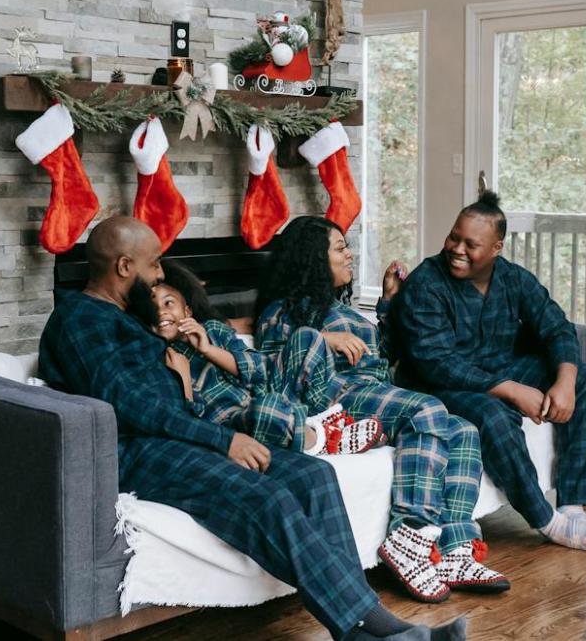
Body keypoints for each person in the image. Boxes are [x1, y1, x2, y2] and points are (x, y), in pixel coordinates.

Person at [37, 215, 465, 641]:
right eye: (154, 265)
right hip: (139, 449)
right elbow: (130, 405)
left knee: (313, 475)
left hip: (180, 434)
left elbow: (171, 386)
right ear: (124, 267)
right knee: (268, 497)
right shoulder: (80, 319)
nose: (161, 274)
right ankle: (385, 633)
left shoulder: (130, 317)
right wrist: (224, 440)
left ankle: (369, 629)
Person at [255, 216, 509, 603]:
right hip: (337, 399)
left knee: (463, 430)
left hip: (375, 392)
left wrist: (388, 302)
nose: (349, 254)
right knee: (426, 409)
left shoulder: (341, 306)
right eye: (339, 248)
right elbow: (274, 363)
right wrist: (325, 338)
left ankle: (456, 548)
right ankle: (410, 534)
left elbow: (381, 357)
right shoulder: (283, 310)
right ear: (311, 259)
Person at [392, 192, 586, 553]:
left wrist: (566, 379)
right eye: (453, 237)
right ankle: (546, 520)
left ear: (496, 248)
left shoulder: (514, 279)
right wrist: (509, 389)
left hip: (499, 367)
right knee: (492, 414)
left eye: (471, 244)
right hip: (439, 382)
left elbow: (557, 327)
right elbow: (435, 361)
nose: (457, 249)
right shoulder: (425, 284)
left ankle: (572, 505)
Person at [151, 260, 386, 456]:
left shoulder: (212, 330)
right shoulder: (163, 360)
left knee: (308, 337)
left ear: (187, 311)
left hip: (269, 393)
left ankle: (316, 422)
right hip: (239, 420)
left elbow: (258, 369)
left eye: (169, 303)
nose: (161, 312)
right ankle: (322, 438)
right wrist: (183, 381)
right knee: (267, 409)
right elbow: (189, 421)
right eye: (152, 309)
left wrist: (208, 350)